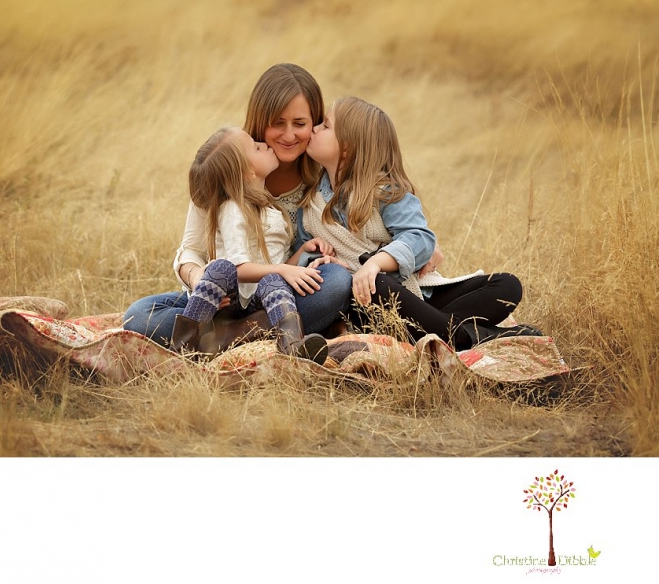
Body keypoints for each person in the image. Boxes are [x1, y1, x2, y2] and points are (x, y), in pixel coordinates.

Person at [123, 64, 354, 351]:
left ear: (314, 123)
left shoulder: (320, 176)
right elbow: (190, 249)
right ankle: (256, 333)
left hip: (277, 295)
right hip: (224, 299)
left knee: (337, 283)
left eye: (299, 123)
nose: (289, 135)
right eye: (277, 123)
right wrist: (198, 280)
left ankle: (222, 338)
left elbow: (369, 212)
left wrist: (421, 245)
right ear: (260, 120)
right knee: (138, 316)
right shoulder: (225, 165)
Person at [298, 96, 542, 351]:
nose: (315, 128)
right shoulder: (311, 205)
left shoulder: (385, 192)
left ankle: (436, 332)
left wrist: (375, 263)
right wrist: (319, 258)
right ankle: (475, 337)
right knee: (377, 285)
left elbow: (419, 237)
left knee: (507, 286)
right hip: (368, 306)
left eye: (325, 125)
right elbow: (305, 258)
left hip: (419, 296)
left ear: (346, 147)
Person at [167, 126, 331, 364]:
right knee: (222, 268)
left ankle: (292, 345)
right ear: (249, 173)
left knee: (278, 281)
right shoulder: (234, 208)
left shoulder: (270, 207)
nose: (264, 145)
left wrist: (302, 253)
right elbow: (238, 267)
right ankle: (184, 348)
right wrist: (284, 270)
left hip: (258, 301)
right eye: (256, 147)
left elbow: (278, 266)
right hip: (228, 303)